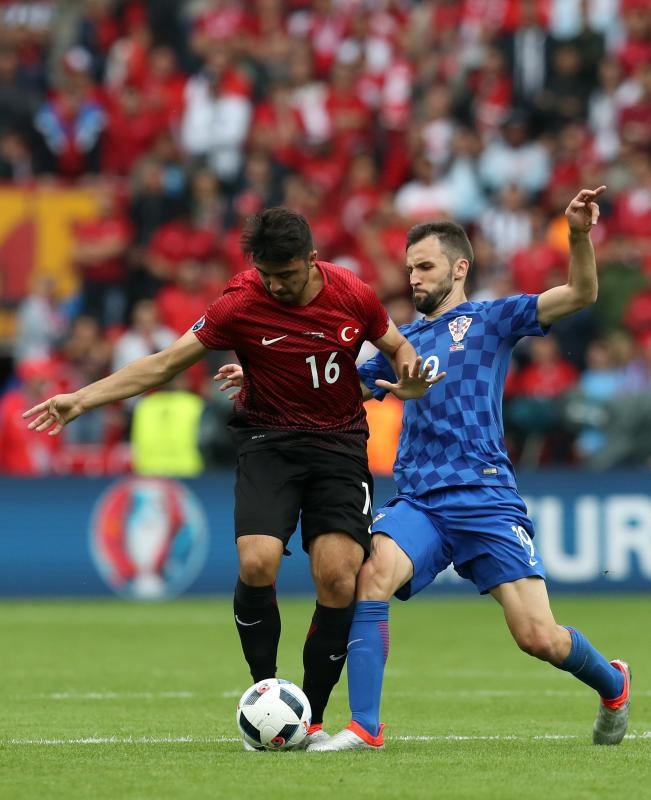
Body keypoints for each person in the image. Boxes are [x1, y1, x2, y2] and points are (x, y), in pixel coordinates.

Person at [23, 207, 438, 750]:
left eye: (286, 275)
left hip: (339, 445)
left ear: (312, 261)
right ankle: (265, 692)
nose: (277, 286)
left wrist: (409, 371)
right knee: (256, 560)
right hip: (268, 442)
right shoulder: (240, 303)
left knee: (338, 576)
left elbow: (398, 346)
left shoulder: (352, 293)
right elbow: (164, 363)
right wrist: (81, 398)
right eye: (268, 275)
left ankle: (310, 717)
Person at [305, 186, 632, 751]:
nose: (414, 278)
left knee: (538, 638)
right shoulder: (396, 345)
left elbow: (582, 292)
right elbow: (330, 390)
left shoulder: (492, 319)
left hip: (484, 496)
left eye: (425, 266)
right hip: (420, 501)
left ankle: (613, 685)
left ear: (459, 268)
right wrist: (259, 379)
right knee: (371, 577)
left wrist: (578, 235)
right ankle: (365, 726)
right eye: (410, 268)